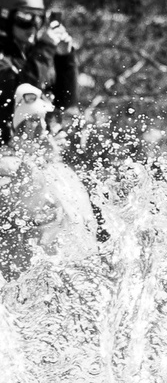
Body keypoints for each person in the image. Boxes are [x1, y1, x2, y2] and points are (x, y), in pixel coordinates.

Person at [0, 82, 97, 279]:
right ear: (16, 128)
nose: (42, 128)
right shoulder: (9, 167)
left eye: (46, 120)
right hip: (25, 275)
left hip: (68, 270)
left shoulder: (63, 173)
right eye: (33, 120)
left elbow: (87, 229)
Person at [0, 0, 77, 146]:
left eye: (39, 18)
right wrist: (46, 48)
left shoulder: (32, 55)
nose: (33, 25)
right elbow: (24, 90)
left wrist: (64, 58)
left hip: (33, 150)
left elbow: (64, 101)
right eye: (25, 18)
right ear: (5, 18)